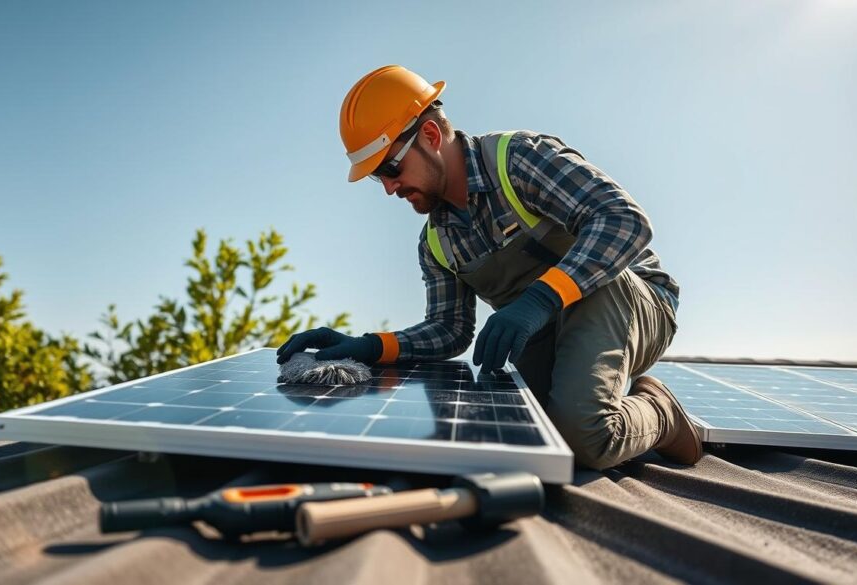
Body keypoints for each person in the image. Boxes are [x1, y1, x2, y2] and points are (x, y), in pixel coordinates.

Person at [276, 65, 701, 469]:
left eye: (390, 167)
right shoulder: (437, 242)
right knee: (527, 429)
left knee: (583, 436)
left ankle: (659, 410)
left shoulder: (517, 160)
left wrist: (540, 298)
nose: (389, 187)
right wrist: (371, 345)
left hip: (629, 299)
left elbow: (624, 221)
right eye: (376, 177)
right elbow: (450, 329)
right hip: (547, 328)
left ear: (429, 134)